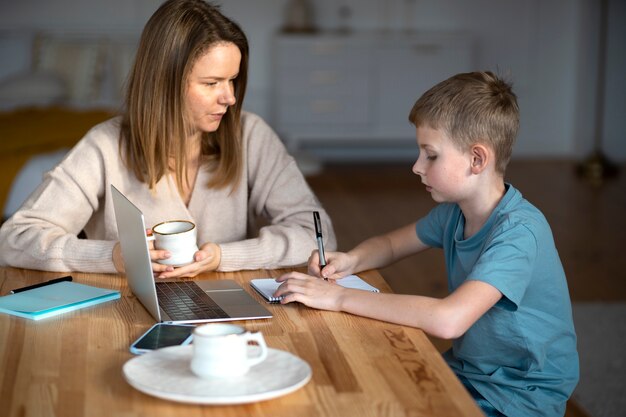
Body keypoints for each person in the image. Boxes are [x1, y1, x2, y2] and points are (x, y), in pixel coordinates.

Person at [274, 71, 579, 417]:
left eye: (430, 155)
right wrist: (350, 259)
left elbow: (449, 321)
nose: (417, 166)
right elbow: (390, 245)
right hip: (470, 374)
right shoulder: (454, 214)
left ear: (477, 160)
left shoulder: (519, 234)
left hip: (520, 395)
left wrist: (339, 297)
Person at [0, 0, 336, 277]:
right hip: (120, 316)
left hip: (228, 319)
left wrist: (223, 257)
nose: (230, 97)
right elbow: (15, 239)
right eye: (211, 83)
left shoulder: (251, 135)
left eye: (233, 80)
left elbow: (318, 236)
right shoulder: (105, 146)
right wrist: (113, 257)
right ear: (166, 83)